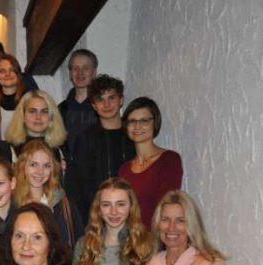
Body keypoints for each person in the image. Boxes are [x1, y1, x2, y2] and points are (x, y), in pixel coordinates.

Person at [66, 75, 135, 223]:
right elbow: (76, 185)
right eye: (100, 99)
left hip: (130, 217)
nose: (106, 104)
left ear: (121, 100)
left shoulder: (133, 136)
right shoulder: (84, 139)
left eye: (111, 98)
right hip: (95, 220)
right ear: (93, 105)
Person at [118, 97, 183, 228]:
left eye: (144, 121)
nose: (137, 126)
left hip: (157, 240)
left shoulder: (169, 160)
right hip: (130, 240)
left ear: (155, 123)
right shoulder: (123, 169)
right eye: (132, 121)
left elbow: (166, 206)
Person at [13, 139, 83, 250]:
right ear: (22, 165)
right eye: (33, 164)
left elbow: (78, 244)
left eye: (46, 166)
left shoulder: (63, 203)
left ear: (53, 169)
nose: (39, 172)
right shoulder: (11, 203)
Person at [6, 89, 67, 169]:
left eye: (44, 111)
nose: (38, 117)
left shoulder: (61, 149)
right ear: (23, 116)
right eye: (32, 111)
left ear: (51, 117)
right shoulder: (9, 151)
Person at [57, 49, 99, 156]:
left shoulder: (103, 108)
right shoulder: (60, 110)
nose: (80, 72)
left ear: (94, 72)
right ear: (70, 74)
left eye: (85, 68)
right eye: (75, 68)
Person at [0, 54, 27, 138]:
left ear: (18, 75)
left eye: (12, 70)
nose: (7, 74)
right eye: (2, 71)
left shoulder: (29, 102)